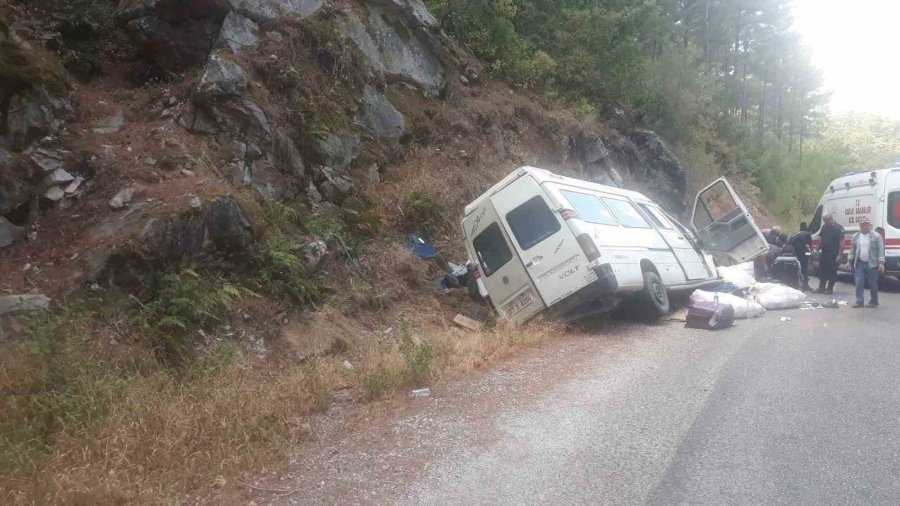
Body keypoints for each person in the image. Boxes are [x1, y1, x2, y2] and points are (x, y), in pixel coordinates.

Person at [846, 216, 885, 308]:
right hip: (859, 263)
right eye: (863, 225)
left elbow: (881, 250)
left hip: (872, 263)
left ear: (870, 226)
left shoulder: (876, 236)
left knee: (872, 283)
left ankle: (874, 301)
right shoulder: (855, 237)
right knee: (859, 282)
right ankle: (859, 301)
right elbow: (852, 250)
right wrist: (848, 262)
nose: (865, 227)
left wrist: (881, 263)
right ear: (860, 226)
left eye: (867, 225)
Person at [814, 213, 844, 295]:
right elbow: (821, 238)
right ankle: (821, 287)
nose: (828, 222)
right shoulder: (824, 227)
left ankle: (829, 288)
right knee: (822, 271)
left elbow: (842, 242)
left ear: (831, 218)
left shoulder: (839, 228)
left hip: (834, 253)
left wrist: (839, 255)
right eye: (826, 221)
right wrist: (817, 248)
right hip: (824, 253)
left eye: (829, 220)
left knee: (832, 272)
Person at [788, 222, 813, 291]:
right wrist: (810, 254)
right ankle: (805, 286)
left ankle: (794, 284)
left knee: (795, 269)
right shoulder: (807, 234)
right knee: (804, 270)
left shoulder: (795, 234)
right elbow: (809, 246)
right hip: (802, 255)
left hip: (793, 255)